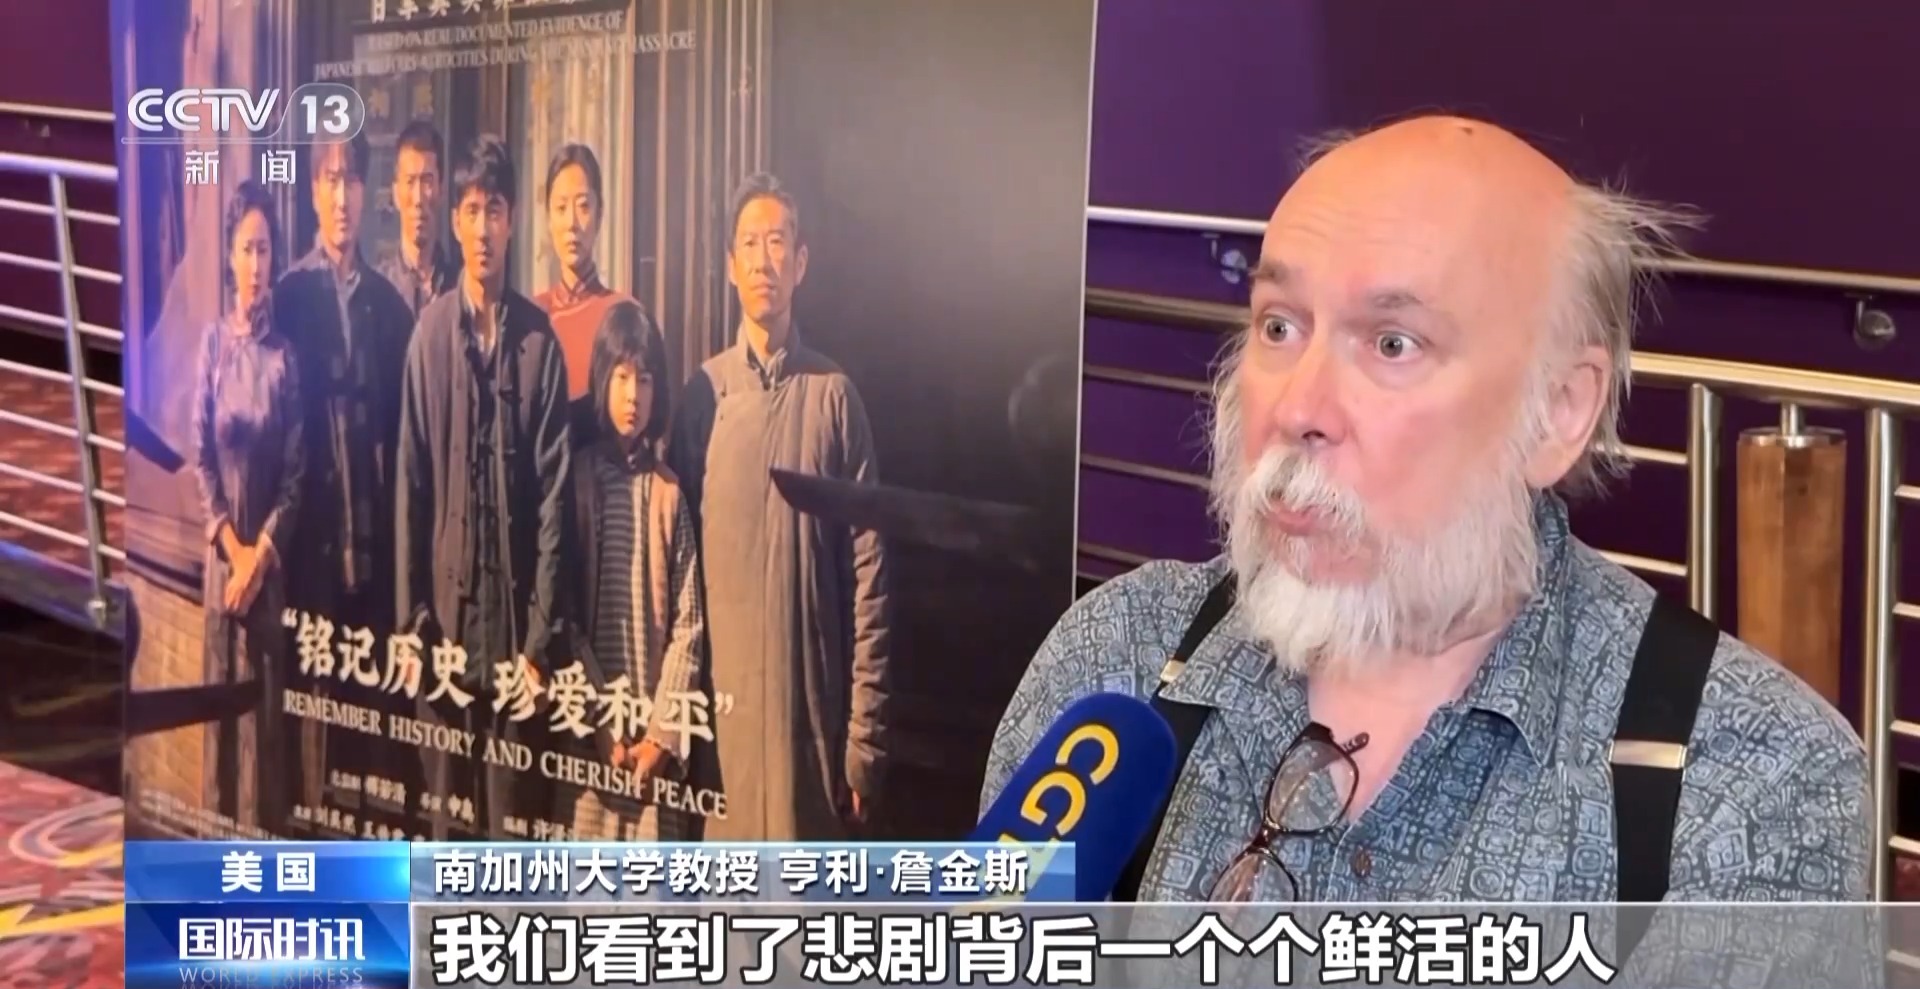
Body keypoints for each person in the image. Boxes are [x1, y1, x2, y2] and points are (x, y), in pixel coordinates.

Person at [983, 117, 1869, 905]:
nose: (1299, 408)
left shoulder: (1745, 781)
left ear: (1559, 411)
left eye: (1392, 343)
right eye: (1279, 325)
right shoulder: (1117, 657)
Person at [668, 172, 892, 841]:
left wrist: (864, 742)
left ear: (800, 262)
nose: (763, 260)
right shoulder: (702, 398)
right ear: (729, 265)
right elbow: (676, 580)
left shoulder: (834, 396)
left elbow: (871, 582)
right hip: (720, 735)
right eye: (749, 244)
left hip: (811, 728)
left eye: (777, 242)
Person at [395, 134, 571, 839]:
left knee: (510, 834)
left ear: (513, 220)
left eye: (494, 210)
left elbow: (555, 500)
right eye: (470, 211)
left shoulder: (539, 343)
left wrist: (539, 640)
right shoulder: (430, 336)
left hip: (515, 632)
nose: (482, 228)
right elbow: (410, 485)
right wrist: (411, 622)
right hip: (444, 625)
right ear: (456, 220)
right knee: (445, 831)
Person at [272, 132, 414, 829]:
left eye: (352, 179)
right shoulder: (289, 296)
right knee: (308, 749)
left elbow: (405, 447)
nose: (341, 195)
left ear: (367, 193)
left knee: (368, 748)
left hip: (374, 564)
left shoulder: (391, 308)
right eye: (329, 179)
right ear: (312, 191)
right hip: (309, 561)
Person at [565, 300, 707, 841]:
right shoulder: (577, 482)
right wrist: (600, 720)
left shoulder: (670, 494)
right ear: (602, 380)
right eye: (622, 377)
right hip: (587, 743)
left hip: (650, 748)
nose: (633, 396)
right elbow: (565, 617)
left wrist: (660, 738)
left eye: (645, 381)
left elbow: (688, 628)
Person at [192, 179, 303, 835]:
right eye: (246, 249)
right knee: (219, 730)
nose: (256, 264)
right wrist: (231, 552)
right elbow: (200, 457)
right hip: (221, 571)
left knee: (264, 732)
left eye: (265, 250)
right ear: (230, 257)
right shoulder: (211, 346)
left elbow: (297, 473)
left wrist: (257, 560)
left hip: (266, 575)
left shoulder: (286, 358)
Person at [533, 142, 640, 437]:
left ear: (600, 214)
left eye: (583, 207)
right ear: (548, 219)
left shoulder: (623, 315)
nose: (572, 223)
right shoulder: (531, 318)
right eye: (561, 208)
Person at [379, 119, 460, 318]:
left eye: (427, 182)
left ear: (441, 189)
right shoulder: (378, 290)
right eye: (410, 182)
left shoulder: (460, 288)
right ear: (396, 193)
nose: (418, 198)